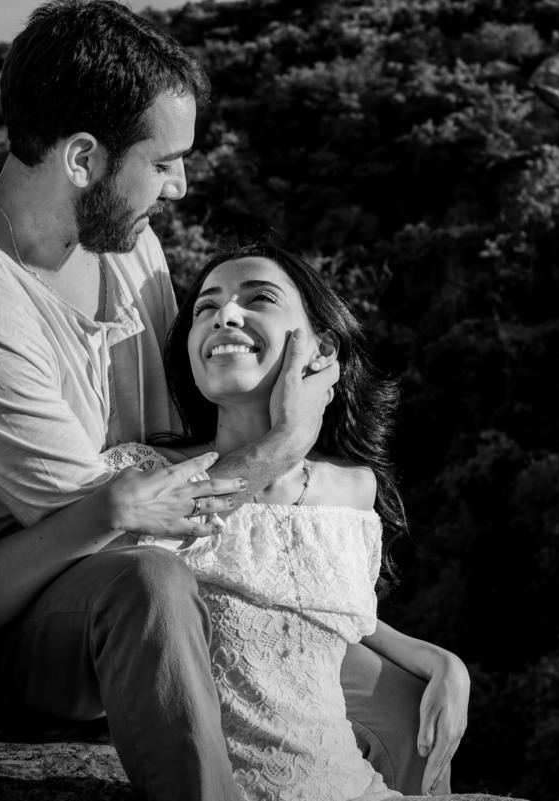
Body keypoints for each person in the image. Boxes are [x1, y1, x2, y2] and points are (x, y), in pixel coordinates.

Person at [0, 1, 445, 798]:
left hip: (181, 548)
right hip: (47, 605)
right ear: (84, 158)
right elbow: (120, 528)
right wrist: (278, 448)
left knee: (410, 702)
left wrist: (392, 641)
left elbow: (178, 488)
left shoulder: (126, 241)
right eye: (162, 164)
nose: (181, 186)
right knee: (151, 583)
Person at [107, 243, 470, 800]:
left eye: (259, 299)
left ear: (320, 348)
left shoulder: (352, 488)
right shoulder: (143, 478)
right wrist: (284, 441)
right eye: (206, 308)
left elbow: (328, 616)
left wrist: (438, 659)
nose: (226, 315)